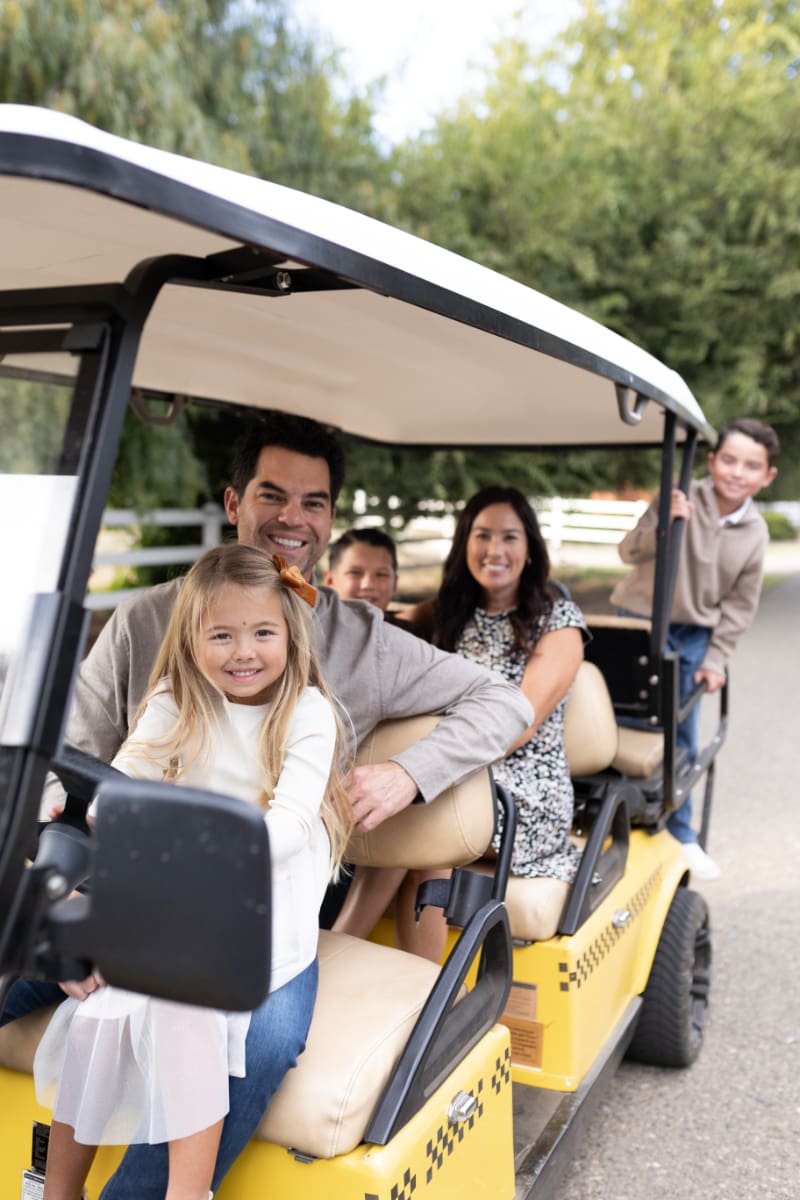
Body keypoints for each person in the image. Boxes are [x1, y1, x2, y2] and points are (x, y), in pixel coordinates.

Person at [3, 411, 532, 1199]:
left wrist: (410, 773)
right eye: (273, 494)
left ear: (329, 519)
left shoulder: (360, 644)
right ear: (233, 501)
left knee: (262, 1038)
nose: (293, 517)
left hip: (265, 905)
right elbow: (74, 768)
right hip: (128, 881)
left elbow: (506, 704)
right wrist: (77, 889)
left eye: (314, 502)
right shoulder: (150, 622)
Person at [33, 544, 351, 1200]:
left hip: (263, 918)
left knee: (192, 1018)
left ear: (291, 634)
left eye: (263, 632)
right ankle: (56, 1191)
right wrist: (78, 806)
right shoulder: (176, 704)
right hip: (175, 902)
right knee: (97, 1014)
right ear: (192, 639)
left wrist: (175, 847)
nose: (244, 651)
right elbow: (123, 787)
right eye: (222, 635)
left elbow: (289, 828)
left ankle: (181, 1192)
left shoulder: (307, 713)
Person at [334, 485, 587, 960]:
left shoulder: (559, 622)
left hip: (522, 788)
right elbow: (375, 635)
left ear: (530, 548)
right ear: (465, 545)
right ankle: (341, 949)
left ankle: (423, 993)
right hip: (459, 768)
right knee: (397, 797)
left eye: (510, 537)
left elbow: (517, 727)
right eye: (482, 536)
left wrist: (424, 770)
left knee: (419, 815)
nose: (495, 550)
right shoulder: (447, 614)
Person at [611, 416, 780, 881]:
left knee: (681, 737)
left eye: (750, 466)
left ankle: (681, 835)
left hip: (693, 636)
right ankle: (615, 822)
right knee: (624, 724)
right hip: (640, 623)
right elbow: (628, 552)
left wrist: (716, 658)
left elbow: (740, 605)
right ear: (711, 461)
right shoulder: (680, 495)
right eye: (728, 460)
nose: (736, 472)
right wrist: (663, 522)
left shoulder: (755, 533)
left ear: (766, 477)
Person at [323, 526, 410, 626]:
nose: (368, 584)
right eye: (355, 573)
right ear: (330, 580)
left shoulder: (410, 636)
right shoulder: (310, 634)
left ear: (394, 583)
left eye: (381, 574)